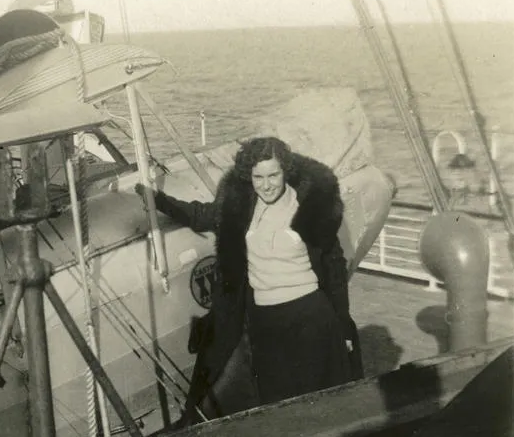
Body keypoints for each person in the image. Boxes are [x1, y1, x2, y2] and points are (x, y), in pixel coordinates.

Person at [136, 136, 360, 422]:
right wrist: (157, 200)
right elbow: (200, 215)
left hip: (310, 320)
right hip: (266, 324)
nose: (266, 185)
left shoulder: (310, 211)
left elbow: (335, 271)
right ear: (248, 177)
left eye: (273, 175)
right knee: (277, 407)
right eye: (258, 177)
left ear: (286, 172)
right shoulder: (241, 208)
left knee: (319, 410)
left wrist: (342, 326)